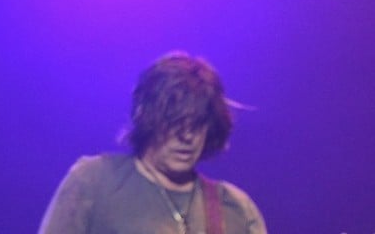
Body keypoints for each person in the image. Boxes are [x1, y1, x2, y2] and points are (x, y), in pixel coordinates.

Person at [37, 52, 266, 234]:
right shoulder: (95, 181)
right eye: (175, 122)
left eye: (197, 124)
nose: (187, 136)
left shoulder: (236, 209)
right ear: (147, 118)